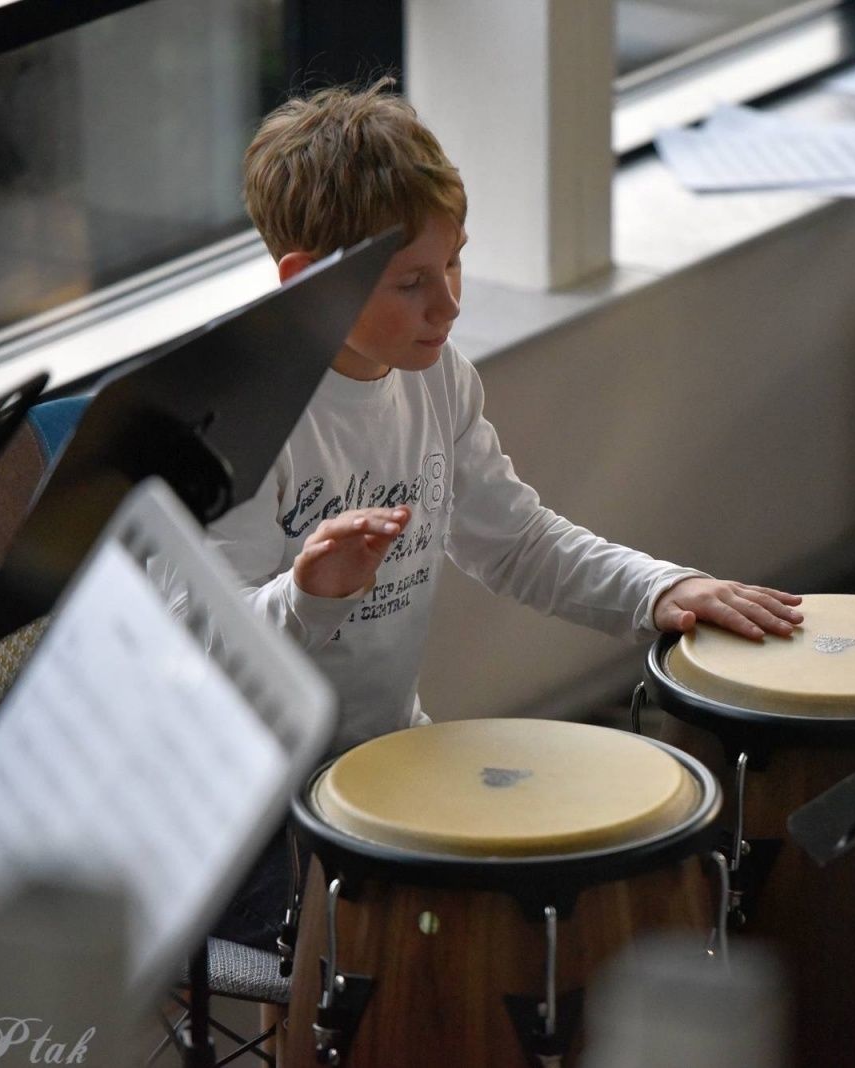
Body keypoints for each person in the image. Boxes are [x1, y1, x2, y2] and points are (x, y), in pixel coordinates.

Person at [205, 80, 804, 949]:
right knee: (430, 953)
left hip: (381, 758)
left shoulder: (434, 375)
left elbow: (514, 541)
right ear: (307, 282)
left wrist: (660, 589)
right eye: (412, 281)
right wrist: (309, 594)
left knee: (584, 890)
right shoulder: (239, 416)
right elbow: (203, 658)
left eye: (453, 262)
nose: (449, 304)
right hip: (245, 813)